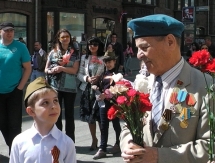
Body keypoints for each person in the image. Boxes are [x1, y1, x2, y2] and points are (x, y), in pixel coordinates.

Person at [120, 14, 213, 163]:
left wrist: (159, 156)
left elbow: (210, 147)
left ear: (170, 42)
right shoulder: (143, 83)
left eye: (144, 47)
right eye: (137, 48)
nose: (138, 55)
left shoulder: (205, 86)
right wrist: (128, 144)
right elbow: (127, 127)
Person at [9, 77, 76, 163]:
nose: (53, 106)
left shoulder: (67, 143)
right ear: (31, 111)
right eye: (45, 102)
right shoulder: (20, 142)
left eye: (55, 100)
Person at [0, 22, 31, 154]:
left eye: (11, 30)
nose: (9, 33)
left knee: (14, 124)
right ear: (0, 31)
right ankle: (12, 146)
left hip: (14, 91)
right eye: (6, 30)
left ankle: (14, 152)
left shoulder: (20, 47)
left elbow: (28, 68)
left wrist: (20, 87)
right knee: (2, 123)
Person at [44, 29, 79, 142]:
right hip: (55, 88)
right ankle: (57, 140)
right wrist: (52, 70)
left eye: (67, 37)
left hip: (70, 88)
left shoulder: (74, 53)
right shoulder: (52, 52)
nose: (65, 39)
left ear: (70, 38)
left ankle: (70, 141)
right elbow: (46, 69)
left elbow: (74, 70)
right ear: (59, 39)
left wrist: (62, 68)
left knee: (69, 115)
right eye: (63, 37)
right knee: (56, 115)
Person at [77, 36, 105, 151]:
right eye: (90, 44)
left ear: (99, 46)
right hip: (87, 89)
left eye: (95, 44)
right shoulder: (85, 57)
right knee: (90, 117)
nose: (92, 46)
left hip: (100, 89)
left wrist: (100, 78)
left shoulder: (103, 57)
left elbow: (108, 71)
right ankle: (94, 139)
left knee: (100, 117)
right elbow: (79, 74)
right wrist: (87, 78)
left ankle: (103, 141)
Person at [93, 51, 122, 159]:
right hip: (103, 103)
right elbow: (99, 85)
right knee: (103, 125)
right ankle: (102, 148)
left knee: (116, 124)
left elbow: (118, 89)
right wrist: (95, 87)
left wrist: (106, 94)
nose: (108, 64)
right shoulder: (103, 74)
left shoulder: (118, 74)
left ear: (114, 61)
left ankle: (119, 143)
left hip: (114, 103)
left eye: (109, 61)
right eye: (106, 62)